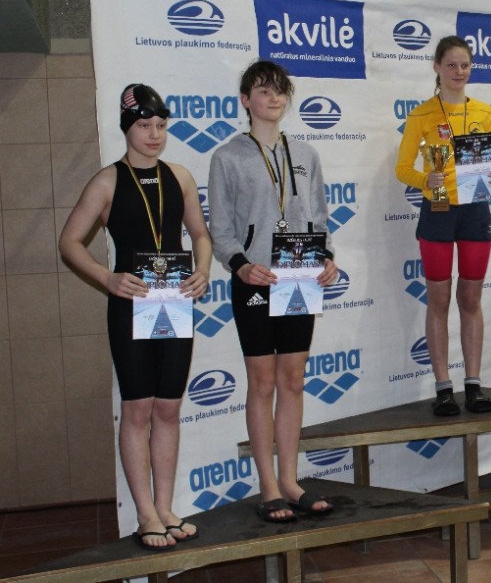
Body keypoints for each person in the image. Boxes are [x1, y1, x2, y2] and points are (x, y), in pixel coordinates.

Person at [59, 84, 212, 550]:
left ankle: (165, 506)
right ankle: (145, 514)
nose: (154, 135)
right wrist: (107, 278)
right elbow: (69, 242)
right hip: (131, 306)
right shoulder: (107, 181)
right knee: (137, 408)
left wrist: (203, 270)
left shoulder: (180, 176)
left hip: (174, 303)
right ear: (128, 127)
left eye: (161, 126)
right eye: (145, 126)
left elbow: (200, 234)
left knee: (168, 408)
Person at [208, 60, 339, 522]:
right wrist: (241, 266)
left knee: (293, 381)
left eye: (280, 90)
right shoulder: (227, 157)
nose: (274, 97)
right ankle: (267, 485)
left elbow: (318, 218)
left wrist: (326, 256)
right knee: (262, 383)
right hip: (256, 281)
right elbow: (221, 229)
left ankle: (290, 480)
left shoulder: (305, 153)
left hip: (298, 279)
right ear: (246, 100)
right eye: (263, 90)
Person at [395, 36, 491, 416]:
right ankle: (443, 388)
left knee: (471, 299)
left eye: (464, 65)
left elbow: (489, 165)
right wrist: (423, 180)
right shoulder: (421, 115)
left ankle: (474, 385)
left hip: (475, 208)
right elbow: (403, 168)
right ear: (437, 67)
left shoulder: (483, 111)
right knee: (439, 301)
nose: (458, 71)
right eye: (451, 64)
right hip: (438, 209)